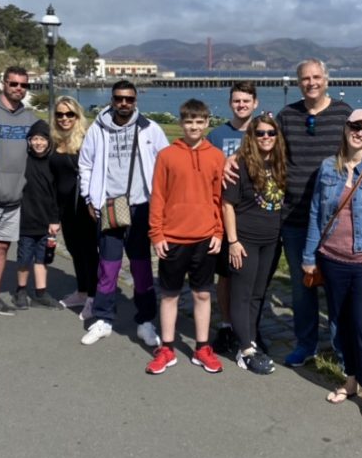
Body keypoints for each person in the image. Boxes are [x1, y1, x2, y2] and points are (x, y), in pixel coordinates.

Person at [302, 110, 362, 420]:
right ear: (346, 129)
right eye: (355, 127)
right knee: (340, 322)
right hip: (333, 260)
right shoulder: (327, 168)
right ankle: (351, 379)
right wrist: (308, 257)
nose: (359, 133)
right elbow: (317, 214)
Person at [78, 81, 168, 348]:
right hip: (109, 205)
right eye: (119, 98)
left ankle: (146, 321)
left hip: (141, 206)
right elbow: (85, 164)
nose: (124, 103)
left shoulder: (150, 129)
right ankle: (104, 319)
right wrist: (88, 198)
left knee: (141, 267)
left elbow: (165, 164)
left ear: (136, 100)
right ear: (112, 99)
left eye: (129, 99)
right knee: (108, 266)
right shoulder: (98, 129)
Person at [274, 59, 352, 367]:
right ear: (298, 83)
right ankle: (305, 344)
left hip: (335, 219)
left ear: (327, 80)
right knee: (301, 285)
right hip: (295, 216)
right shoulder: (287, 116)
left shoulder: (344, 114)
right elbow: (267, 152)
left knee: (337, 286)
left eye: (316, 77)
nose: (311, 82)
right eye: (305, 78)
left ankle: (342, 348)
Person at [145, 99, 226, 375]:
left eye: (199, 122)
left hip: (205, 238)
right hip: (173, 237)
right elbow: (158, 197)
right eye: (189, 121)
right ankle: (167, 347)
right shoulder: (167, 155)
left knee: (203, 294)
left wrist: (218, 231)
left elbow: (219, 198)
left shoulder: (215, 156)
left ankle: (202, 347)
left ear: (206, 124)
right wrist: (157, 234)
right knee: (169, 295)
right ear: (181, 123)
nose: (193, 126)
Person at [222, 114, 286, 374]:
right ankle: (245, 350)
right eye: (260, 133)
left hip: (271, 241)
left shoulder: (281, 163)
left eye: (271, 133)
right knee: (242, 294)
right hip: (245, 240)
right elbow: (227, 204)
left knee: (258, 294)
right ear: (252, 136)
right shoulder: (240, 163)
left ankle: (250, 339)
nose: (266, 138)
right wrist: (233, 241)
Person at [207, 81, 259, 357]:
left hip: (255, 217)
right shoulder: (217, 136)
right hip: (223, 215)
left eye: (246, 100)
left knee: (254, 278)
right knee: (226, 276)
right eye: (236, 101)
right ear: (231, 104)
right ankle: (227, 324)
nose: (241, 105)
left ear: (255, 103)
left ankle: (251, 327)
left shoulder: (263, 132)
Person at [0, 66, 33, 316]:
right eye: (14, 84)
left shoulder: (29, 118)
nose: (18, 89)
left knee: (1, 247)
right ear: (4, 84)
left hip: (15, 198)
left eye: (23, 85)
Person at [49, 96, 99, 318]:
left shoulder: (87, 140)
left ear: (78, 116)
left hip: (83, 206)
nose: (64, 118)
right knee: (74, 250)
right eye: (60, 114)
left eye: (70, 114)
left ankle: (93, 297)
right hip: (64, 206)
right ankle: (81, 291)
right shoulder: (53, 141)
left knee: (89, 252)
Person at [12, 120, 62, 310]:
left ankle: (40, 293)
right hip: (26, 219)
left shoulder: (52, 163)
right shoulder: (24, 161)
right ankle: (21, 290)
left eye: (42, 139)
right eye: (34, 139)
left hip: (46, 221)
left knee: (43, 258)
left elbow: (57, 194)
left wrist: (55, 220)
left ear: (48, 141)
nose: (38, 143)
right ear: (29, 141)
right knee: (24, 259)